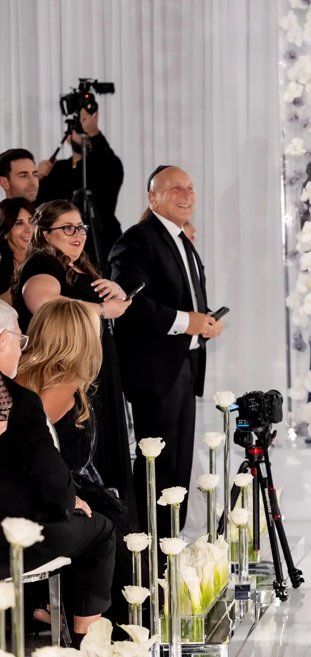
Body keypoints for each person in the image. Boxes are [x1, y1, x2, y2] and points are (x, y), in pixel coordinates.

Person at [109, 166, 222, 538]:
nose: (186, 194)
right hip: (154, 372)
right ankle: (151, 549)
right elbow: (129, 302)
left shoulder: (181, 239)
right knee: (158, 467)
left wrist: (205, 322)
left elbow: (186, 300)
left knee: (178, 467)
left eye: (190, 187)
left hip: (183, 366)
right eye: (175, 188)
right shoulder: (137, 240)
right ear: (152, 197)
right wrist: (186, 322)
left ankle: (171, 546)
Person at [0, 300, 115, 641]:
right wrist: (69, 501)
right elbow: (49, 478)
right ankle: (85, 644)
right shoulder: (18, 401)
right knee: (103, 530)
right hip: (11, 538)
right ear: (2, 341)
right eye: (18, 338)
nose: (23, 347)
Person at [17, 298, 134, 623]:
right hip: (59, 489)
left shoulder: (19, 378)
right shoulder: (64, 386)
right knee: (115, 532)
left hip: (37, 487)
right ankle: (89, 626)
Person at [13, 200, 134, 507]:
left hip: (91, 370)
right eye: (67, 228)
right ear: (44, 233)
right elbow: (45, 303)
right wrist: (103, 309)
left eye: (81, 227)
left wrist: (117, 294)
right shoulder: (43, 264)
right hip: (65, 372)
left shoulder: (76, 265)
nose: (78, 234)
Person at [36, 106, 125, 265]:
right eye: (79, 129)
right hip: (63, 248)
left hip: (103, 243)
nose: (85, 134)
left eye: (86, 130)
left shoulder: (104, 166)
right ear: (68, 137)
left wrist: (94, 133)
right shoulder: (58, 169)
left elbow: (110, 164)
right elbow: (39, 206)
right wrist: (38, 178)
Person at [0, 198, 36, 304]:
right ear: (5, 233)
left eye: (32, 222)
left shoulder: (50, 262)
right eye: (19, 223)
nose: (29, 229)